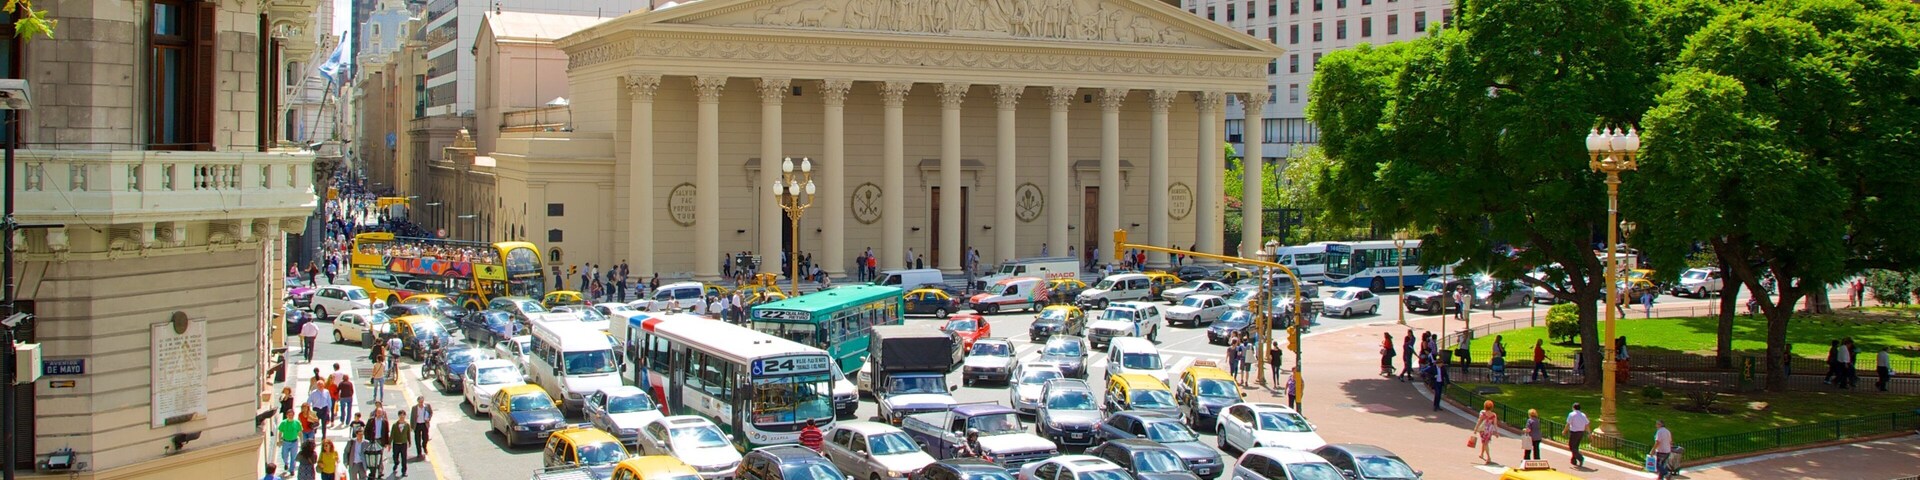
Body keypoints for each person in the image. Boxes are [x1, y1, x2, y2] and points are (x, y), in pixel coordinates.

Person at [1473, 400, 1498, 464]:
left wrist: (1475, 429)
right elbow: (1495, 424)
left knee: (1485, 443)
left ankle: (1489, 457)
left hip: (1483, 429)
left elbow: (1479, 421)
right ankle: (1482, 454)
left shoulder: (1483, 413)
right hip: (1489, 430)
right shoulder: (1494, 415)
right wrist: (1496, 432)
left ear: (1485, 406)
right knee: (1485, 442)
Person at [1566, 403, 1589, 468]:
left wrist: (1564, 431)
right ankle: (1573, 460)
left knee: (1571, 446)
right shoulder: (1583, 415)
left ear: (1573, 408)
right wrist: (1589, 433)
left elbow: (1568, 424)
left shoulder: (1572, 414)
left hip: (1574, 432)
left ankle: (1580, 458)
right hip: (1581, 432)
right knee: (1575, 447)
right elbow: (1587, 424)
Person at [389, 411, 412, 477]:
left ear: (405, 416)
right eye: (400, 415)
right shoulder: (395, 425)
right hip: (396, 444)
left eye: (403, 415)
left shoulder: (407, 425)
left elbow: (408, 434)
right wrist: (389, 443)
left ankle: (404, 471)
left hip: (403, 444)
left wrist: (409, 442)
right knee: (395, 456)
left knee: (404, 457)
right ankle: (396, 463)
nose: (402, 416)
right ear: (398, 416)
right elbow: (392, 435)